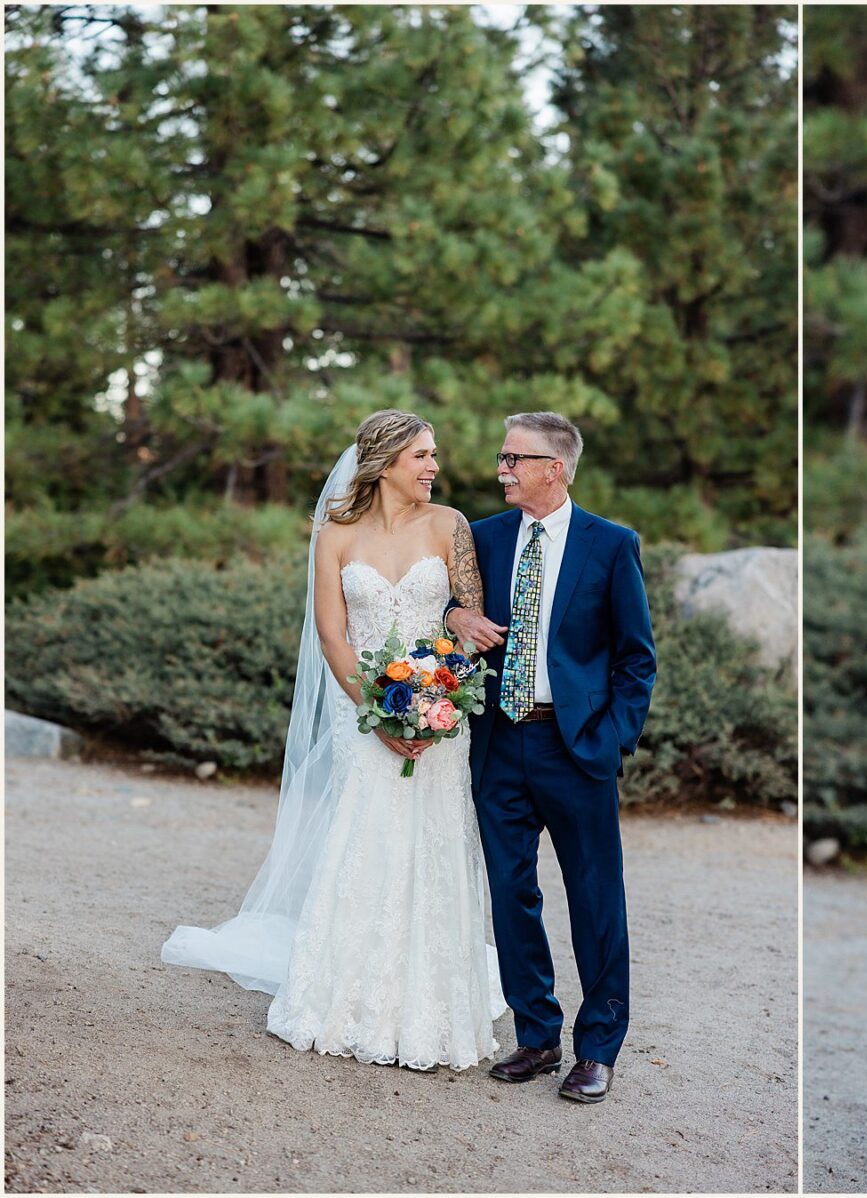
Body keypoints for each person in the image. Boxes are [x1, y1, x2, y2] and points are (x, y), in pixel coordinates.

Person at [163, 409, 505, 1072]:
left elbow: (466, 622)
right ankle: (347, 1001)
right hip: (365, 717)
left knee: (433, 847)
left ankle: (432, 1008)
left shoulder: (451, 526)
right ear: (382, 464)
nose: (434, 466)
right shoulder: (336, 534)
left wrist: (436, 708)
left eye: (435, 455)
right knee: (366, 842)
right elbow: (332, 635)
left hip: (441, 720)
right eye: (421, 456)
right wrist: (382, 714)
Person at [444, 412, 656, 1104]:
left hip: (576, 747)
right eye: (502, 457)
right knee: (511, 894)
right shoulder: (481, 536)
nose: (502, 469)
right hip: (499, 742)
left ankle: (598, 1049)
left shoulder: (610, 544)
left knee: (595, 898)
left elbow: (635, 658)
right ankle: (536, 1035)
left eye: (514, 458)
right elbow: (451, 607)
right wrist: (454, 619)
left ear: (554, 467)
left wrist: (611, 736)